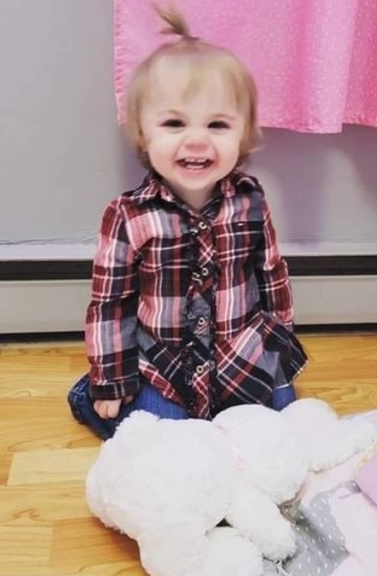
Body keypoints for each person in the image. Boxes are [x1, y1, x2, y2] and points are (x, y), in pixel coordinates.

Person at [68, 4, 307, 440]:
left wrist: (279, 349)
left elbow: (272, 276)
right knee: (167, 440)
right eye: (175, 123)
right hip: (165, 368)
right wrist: (111, 378)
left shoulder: (251, 201)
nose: (196, 139)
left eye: (217, 125)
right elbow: (110, 304)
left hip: (238, 359)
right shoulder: (129, 215)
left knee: (280, 429)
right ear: (144, 134)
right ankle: (88, 394)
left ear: (243, 135)